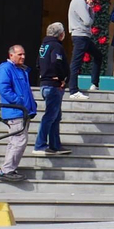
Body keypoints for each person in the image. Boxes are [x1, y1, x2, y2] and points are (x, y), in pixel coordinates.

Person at [0, 44, 36, 184]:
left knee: (16, 141)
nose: (23, 57)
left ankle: (8, 169)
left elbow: (25, 90)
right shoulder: (5, 68)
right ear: (11, 55)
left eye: (24, 54)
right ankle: (6, 170)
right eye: (19, 54)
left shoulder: (20, 70)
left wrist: (31, 106)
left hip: (21, 111)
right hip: (15, 111)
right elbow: (3, 89)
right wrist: (20, 102)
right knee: (19, 141)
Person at [34, 23, 71, 156]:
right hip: (53, 86)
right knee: (50, 116)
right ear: (60, 34)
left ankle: (55, 145)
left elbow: (38, 63)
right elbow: (57, 62)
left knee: (56, 116)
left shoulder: (44, 45)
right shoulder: (56, 46)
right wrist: (62, 78)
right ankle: (40, 144)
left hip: (45, 84)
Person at [67, 0, 104, 99]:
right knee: (76, 62)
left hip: (84, 36)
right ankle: (73, 90)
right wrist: (90, 9)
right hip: (80, 35)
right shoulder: (78, 2)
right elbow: (88, 21)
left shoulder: (82, 2)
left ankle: (94, 84)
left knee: (98, 55)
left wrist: (90, 8)